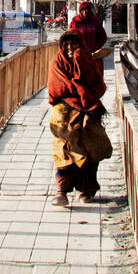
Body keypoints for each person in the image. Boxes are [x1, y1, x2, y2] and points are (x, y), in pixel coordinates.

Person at [47, 31, 112, 206]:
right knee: (64, 149)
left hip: (88, 110)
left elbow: (98, 86)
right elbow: (55, 88)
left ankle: (86, 190)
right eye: (66, 44)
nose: (69, 48)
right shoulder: (57, 62)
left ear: (80, 44)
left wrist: (81, 59)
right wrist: (77, 89)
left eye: (74, 44)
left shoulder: (87, 60)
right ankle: (62, 191)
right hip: (65, 112)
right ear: (61, 46)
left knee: (91, 149)